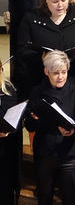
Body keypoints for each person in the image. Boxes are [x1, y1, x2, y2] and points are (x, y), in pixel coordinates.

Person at [24, 50, 75, 205]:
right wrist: (40, 120)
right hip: (45, 152)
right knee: (44, 196)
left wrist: (73, 130)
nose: (60, 77)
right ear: (46, 71)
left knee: (70, 197)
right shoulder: (37, 92)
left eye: (63, 72)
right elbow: (29, 126)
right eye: (56, 73)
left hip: (68, 152)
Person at [0, 59, 22, 204]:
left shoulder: (9, 91)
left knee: (5, 188)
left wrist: (9, 131)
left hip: (4, 149)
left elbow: (16, 118)